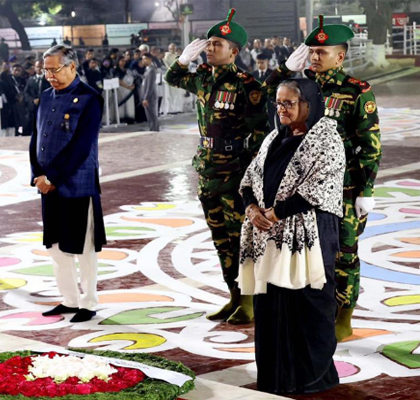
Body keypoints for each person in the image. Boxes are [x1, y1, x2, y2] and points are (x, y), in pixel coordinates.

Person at [265, 16, 382, 340]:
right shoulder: (301, 88)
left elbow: (370, 144)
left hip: (344, 189)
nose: (315, 57)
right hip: (302, 188)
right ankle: (317, 310)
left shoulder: (356, 91)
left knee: (344, 253)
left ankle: (344, 315)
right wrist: (286, 69)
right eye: (312, 51)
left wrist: (366, 190)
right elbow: (265, 95)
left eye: (322, 52)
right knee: (308, 250)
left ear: (340, 56)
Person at [239, 78, 345, 394]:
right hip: (269, 236)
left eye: (289, 103)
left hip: (309, 235)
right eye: (279, 103)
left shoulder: (326, 140)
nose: (282, 109)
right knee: (271, 305)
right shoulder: (275, 137)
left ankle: (311, 377)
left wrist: (275, 213)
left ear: (308, 106)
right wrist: (251, 208)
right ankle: (276, 376)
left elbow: (321, 185)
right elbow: (250, 178)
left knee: (308, 303)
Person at [164, 8, 270, 324]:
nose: (210, 49)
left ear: (234, 52)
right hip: (208, 169)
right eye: (209, 44)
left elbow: (261, 133)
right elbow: (173, 77)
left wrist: (250, 174)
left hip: (235, 173)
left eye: (217, 45)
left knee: (242, 238)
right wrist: (182, 60)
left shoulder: (246, 85)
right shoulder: (201, 78)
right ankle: (233, 297)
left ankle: (249, 300)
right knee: (220, 239)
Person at [31, 44, 106, 323]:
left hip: (77, 184)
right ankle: (69, 299)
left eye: (54, 69)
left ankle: (88, 302)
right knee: (56, 247)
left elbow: (81, 147)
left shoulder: (89, 98)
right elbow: (36, 141)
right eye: (45, 69)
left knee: (84, 248)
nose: (49, 75)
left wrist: (52, 178)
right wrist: (37, 175)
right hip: (48, 186)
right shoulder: (45, 96)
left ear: (72, 67)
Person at [24, 60, 50, 140]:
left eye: (41, 67)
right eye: (37, 67)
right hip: (32, 107)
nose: (39, 69)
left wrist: (42, 99)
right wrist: (32, 100)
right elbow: (26, 92)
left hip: (44, 106)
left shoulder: (48, 79)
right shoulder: (31, 79)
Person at [162, 43, 183, 114]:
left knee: (178, 94)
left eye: (174, 48)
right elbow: (167, 66)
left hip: (177, 77)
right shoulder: (166, 56)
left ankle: (178, 108)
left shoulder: (178, 56)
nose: (172, 50)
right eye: (171, 48)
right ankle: (170, 109)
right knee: (170, 94)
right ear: (169, 49)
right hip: (170, 76)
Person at [114, 57, 136, 122]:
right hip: (121, 89)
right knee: (122, 104)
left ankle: (130, 118)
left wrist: (132, 86)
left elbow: (133, 78)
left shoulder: (128, 70)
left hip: (129, 90)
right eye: (121, 61)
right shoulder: (116, 70)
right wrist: (127, 86)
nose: (123, 62)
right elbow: (118, 80)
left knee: (129, 105)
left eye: (124, 61)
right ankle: (121, 118)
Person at [140, 54, 158, 132]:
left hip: (150, 97)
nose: (143, 61)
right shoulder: (147, 69)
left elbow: (150, 85)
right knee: (149, 115)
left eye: (145, 59)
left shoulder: (151, 70)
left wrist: (146, 98)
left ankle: (154, 130)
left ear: (150, 59)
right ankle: (152, 129)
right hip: (146, 96)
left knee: (152, 115)